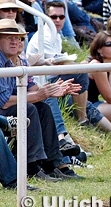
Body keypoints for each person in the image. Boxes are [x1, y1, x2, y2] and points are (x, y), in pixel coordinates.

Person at [0, 18, 82, 180]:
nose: (15, 42)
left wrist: (53, 91)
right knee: (30, 108)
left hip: (7, 109)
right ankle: (31, 166)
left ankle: (53, 163)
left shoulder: (14, 61)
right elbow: (3, 102)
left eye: (18, 38)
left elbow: (33, 90)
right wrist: (38, 95)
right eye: (9, 37)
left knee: (42, 106)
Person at [26, 1, 90, 124]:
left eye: (61, 17)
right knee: (81, 73)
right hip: (40, 80)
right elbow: (56, 66)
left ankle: (86, 119)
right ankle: (82, 119)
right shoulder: (44, 36)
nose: (58, 20)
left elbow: (58, 62)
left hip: (51, 76)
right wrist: (79, 66)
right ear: (46, 17)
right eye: (54, 17)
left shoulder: (56, 35)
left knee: (82, 79)